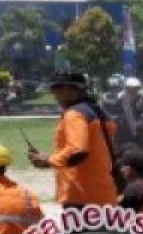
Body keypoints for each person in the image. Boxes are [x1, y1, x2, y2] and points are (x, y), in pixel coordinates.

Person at [28, 71, 120, 208]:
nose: (54, 94)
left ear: (68, 89)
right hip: (104, 193)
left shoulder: (74, 114)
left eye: (56, 88)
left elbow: (77, 151)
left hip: (81, 196)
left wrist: (48, 160)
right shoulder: (96, 111)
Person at [114, 77, 143, 147]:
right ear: (126, 89)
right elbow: (128, 115)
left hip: (137, 129)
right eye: (130, 89)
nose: (133, 91)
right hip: (123, 130)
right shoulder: (122, 98)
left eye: (135, 89)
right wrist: (134, 131)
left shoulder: (142, 98)